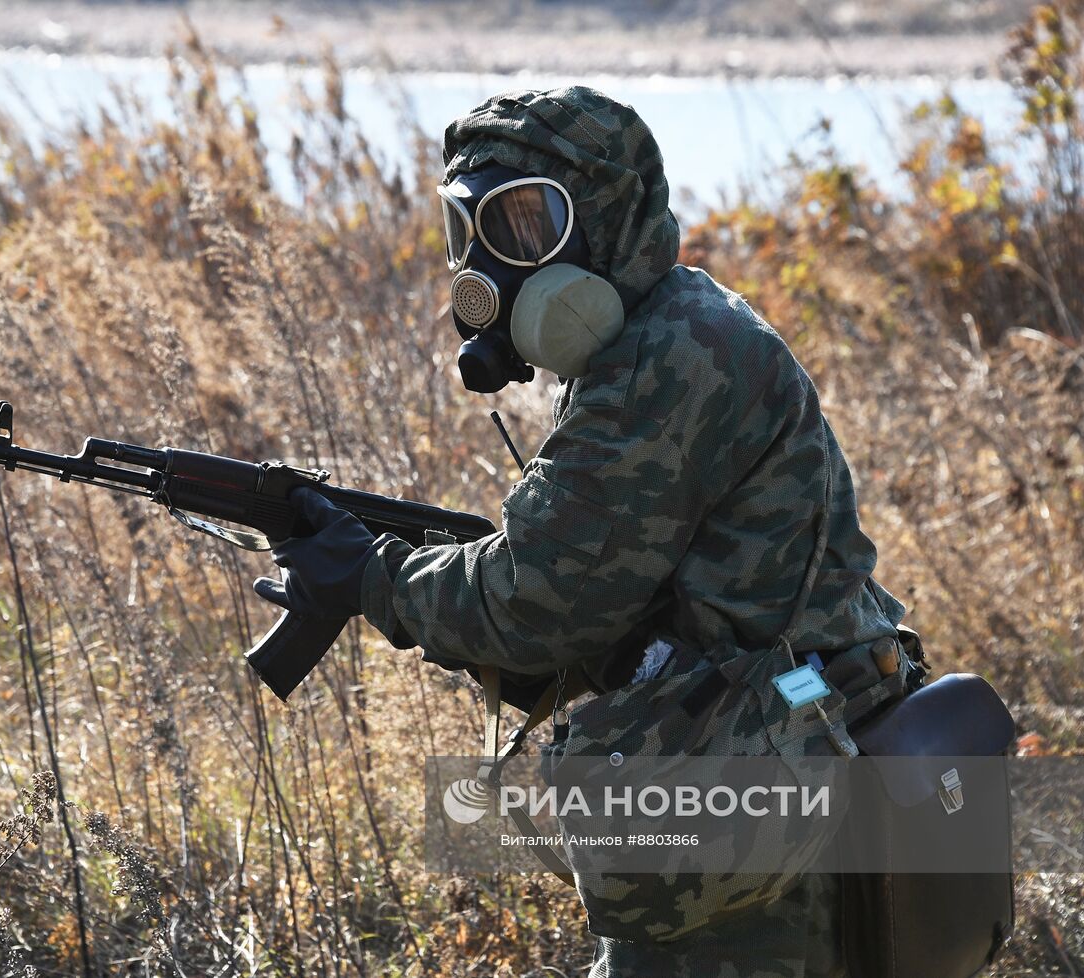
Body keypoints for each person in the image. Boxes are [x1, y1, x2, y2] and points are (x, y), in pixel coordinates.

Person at [253, 86, 916, 978]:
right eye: (471, 234)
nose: (495, 264)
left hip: (759, 788)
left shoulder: (669, 359)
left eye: (528, 227)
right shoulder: (670, 326)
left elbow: (538, 603)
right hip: (778, 745)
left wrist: (372, 579)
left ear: (608, 226)